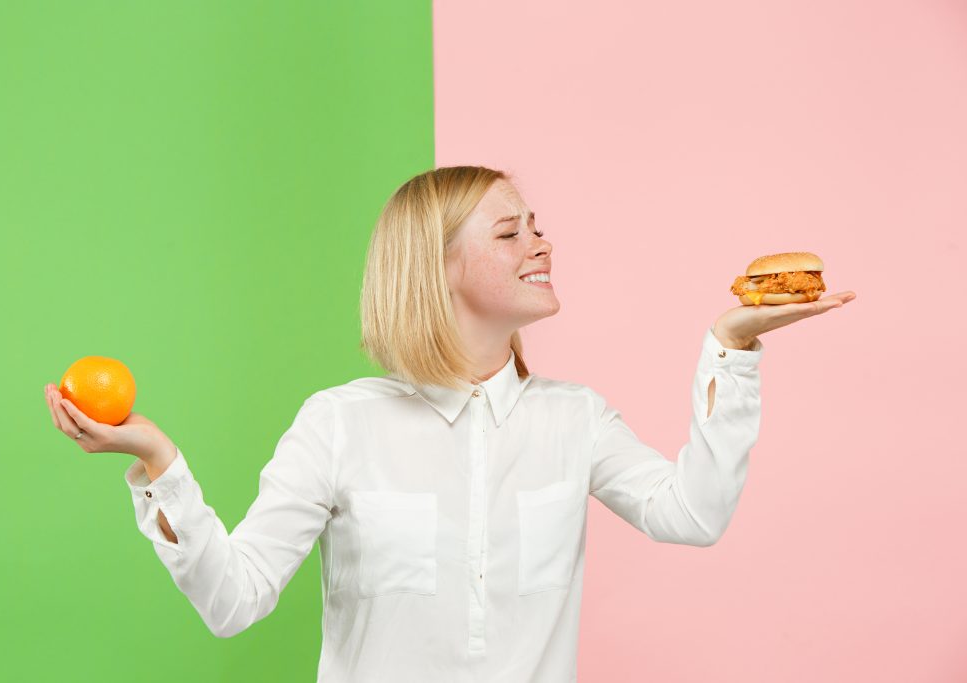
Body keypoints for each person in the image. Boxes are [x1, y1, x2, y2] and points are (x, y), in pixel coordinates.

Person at [42, 166, 856, 682]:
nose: (543, 243)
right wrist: (158, 461)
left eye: (536, 225)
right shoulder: (339, 425)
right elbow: (234, 599)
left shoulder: (574, 420)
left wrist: (731, 348)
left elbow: (695, 514)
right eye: (512, 232)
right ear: (435, 269)